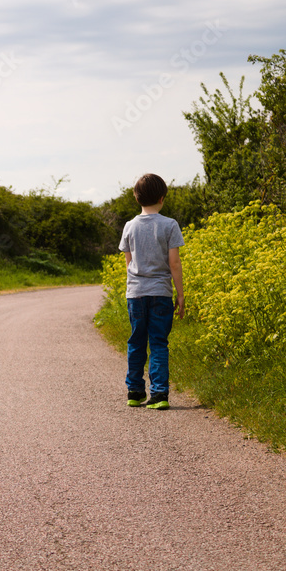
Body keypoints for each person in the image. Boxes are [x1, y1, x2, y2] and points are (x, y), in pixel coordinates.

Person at [119, 173, 185, 410]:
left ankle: (135, 392)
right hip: (160, 293)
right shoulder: (169, 225)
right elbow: (174, 263)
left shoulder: (129, 226)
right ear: (162, 197)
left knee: (136, 341)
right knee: (158, 342)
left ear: (137, 198)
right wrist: (180, 293)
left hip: (135, 294)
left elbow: (129, 263)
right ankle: (159, 395)